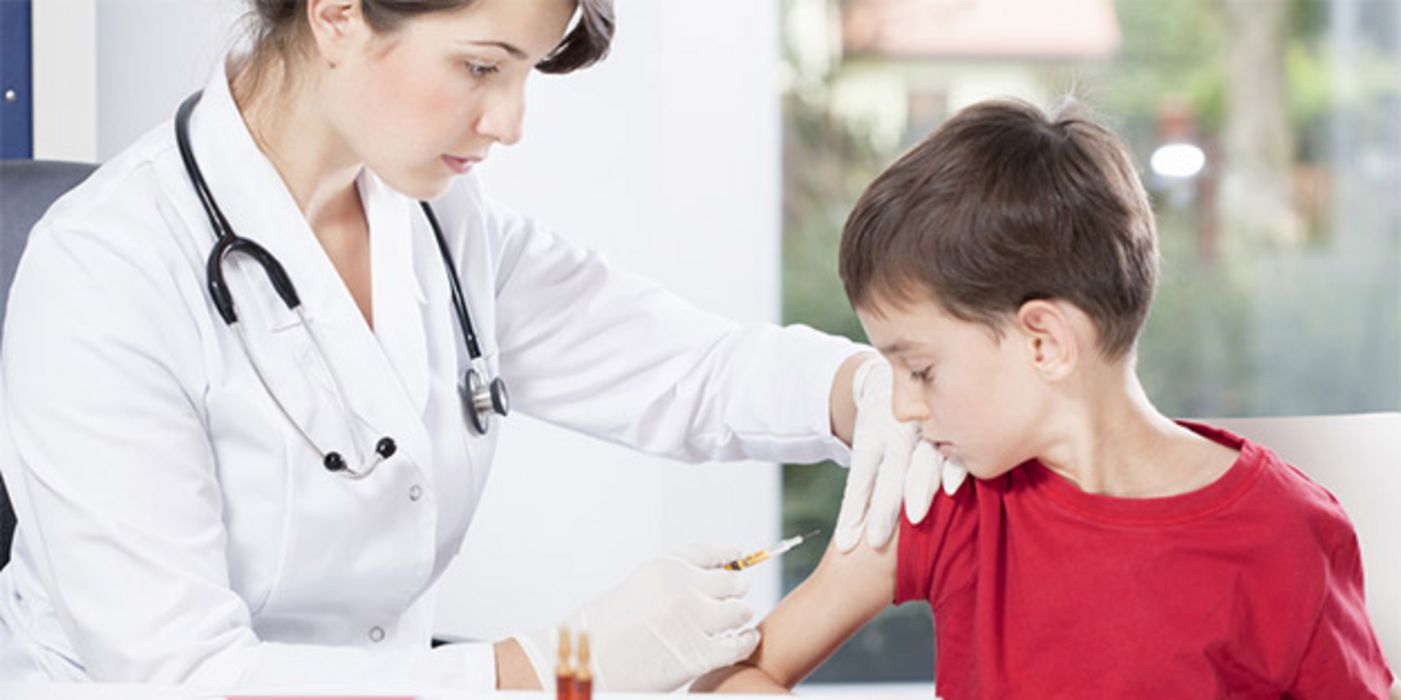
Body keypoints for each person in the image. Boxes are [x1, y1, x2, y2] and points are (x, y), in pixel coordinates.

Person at [0, 0, 959, 690]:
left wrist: (863, 383)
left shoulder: (440, 224)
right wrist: (549, 666)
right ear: (336, 17)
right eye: (481, 66)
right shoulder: (104, 271)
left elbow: (681, 367)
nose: (509, 122)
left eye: (526, 73)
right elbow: (180, 677)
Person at [691, 99, 1397, 698]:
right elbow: (746, 672)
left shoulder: (1286, 535)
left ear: (1043, 342)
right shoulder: (944, 499)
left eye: (920, 369)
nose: (899, 408)